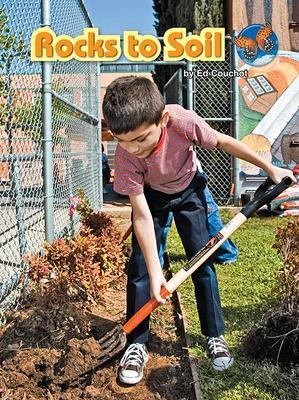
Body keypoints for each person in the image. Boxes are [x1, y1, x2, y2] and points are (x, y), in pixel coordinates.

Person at [102, 76, 295, 385]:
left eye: (141, 139)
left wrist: (270, 169)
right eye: (122, 141)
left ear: (162, 120)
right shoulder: (126, 156)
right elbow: (140, 215)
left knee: (203, 260)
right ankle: (136, 343)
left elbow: (225, 142)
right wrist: (155, 273)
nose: (133, 149)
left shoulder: (182, 122)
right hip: (153, 196)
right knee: (139, 266)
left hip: (190, 189)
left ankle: (214, 335)